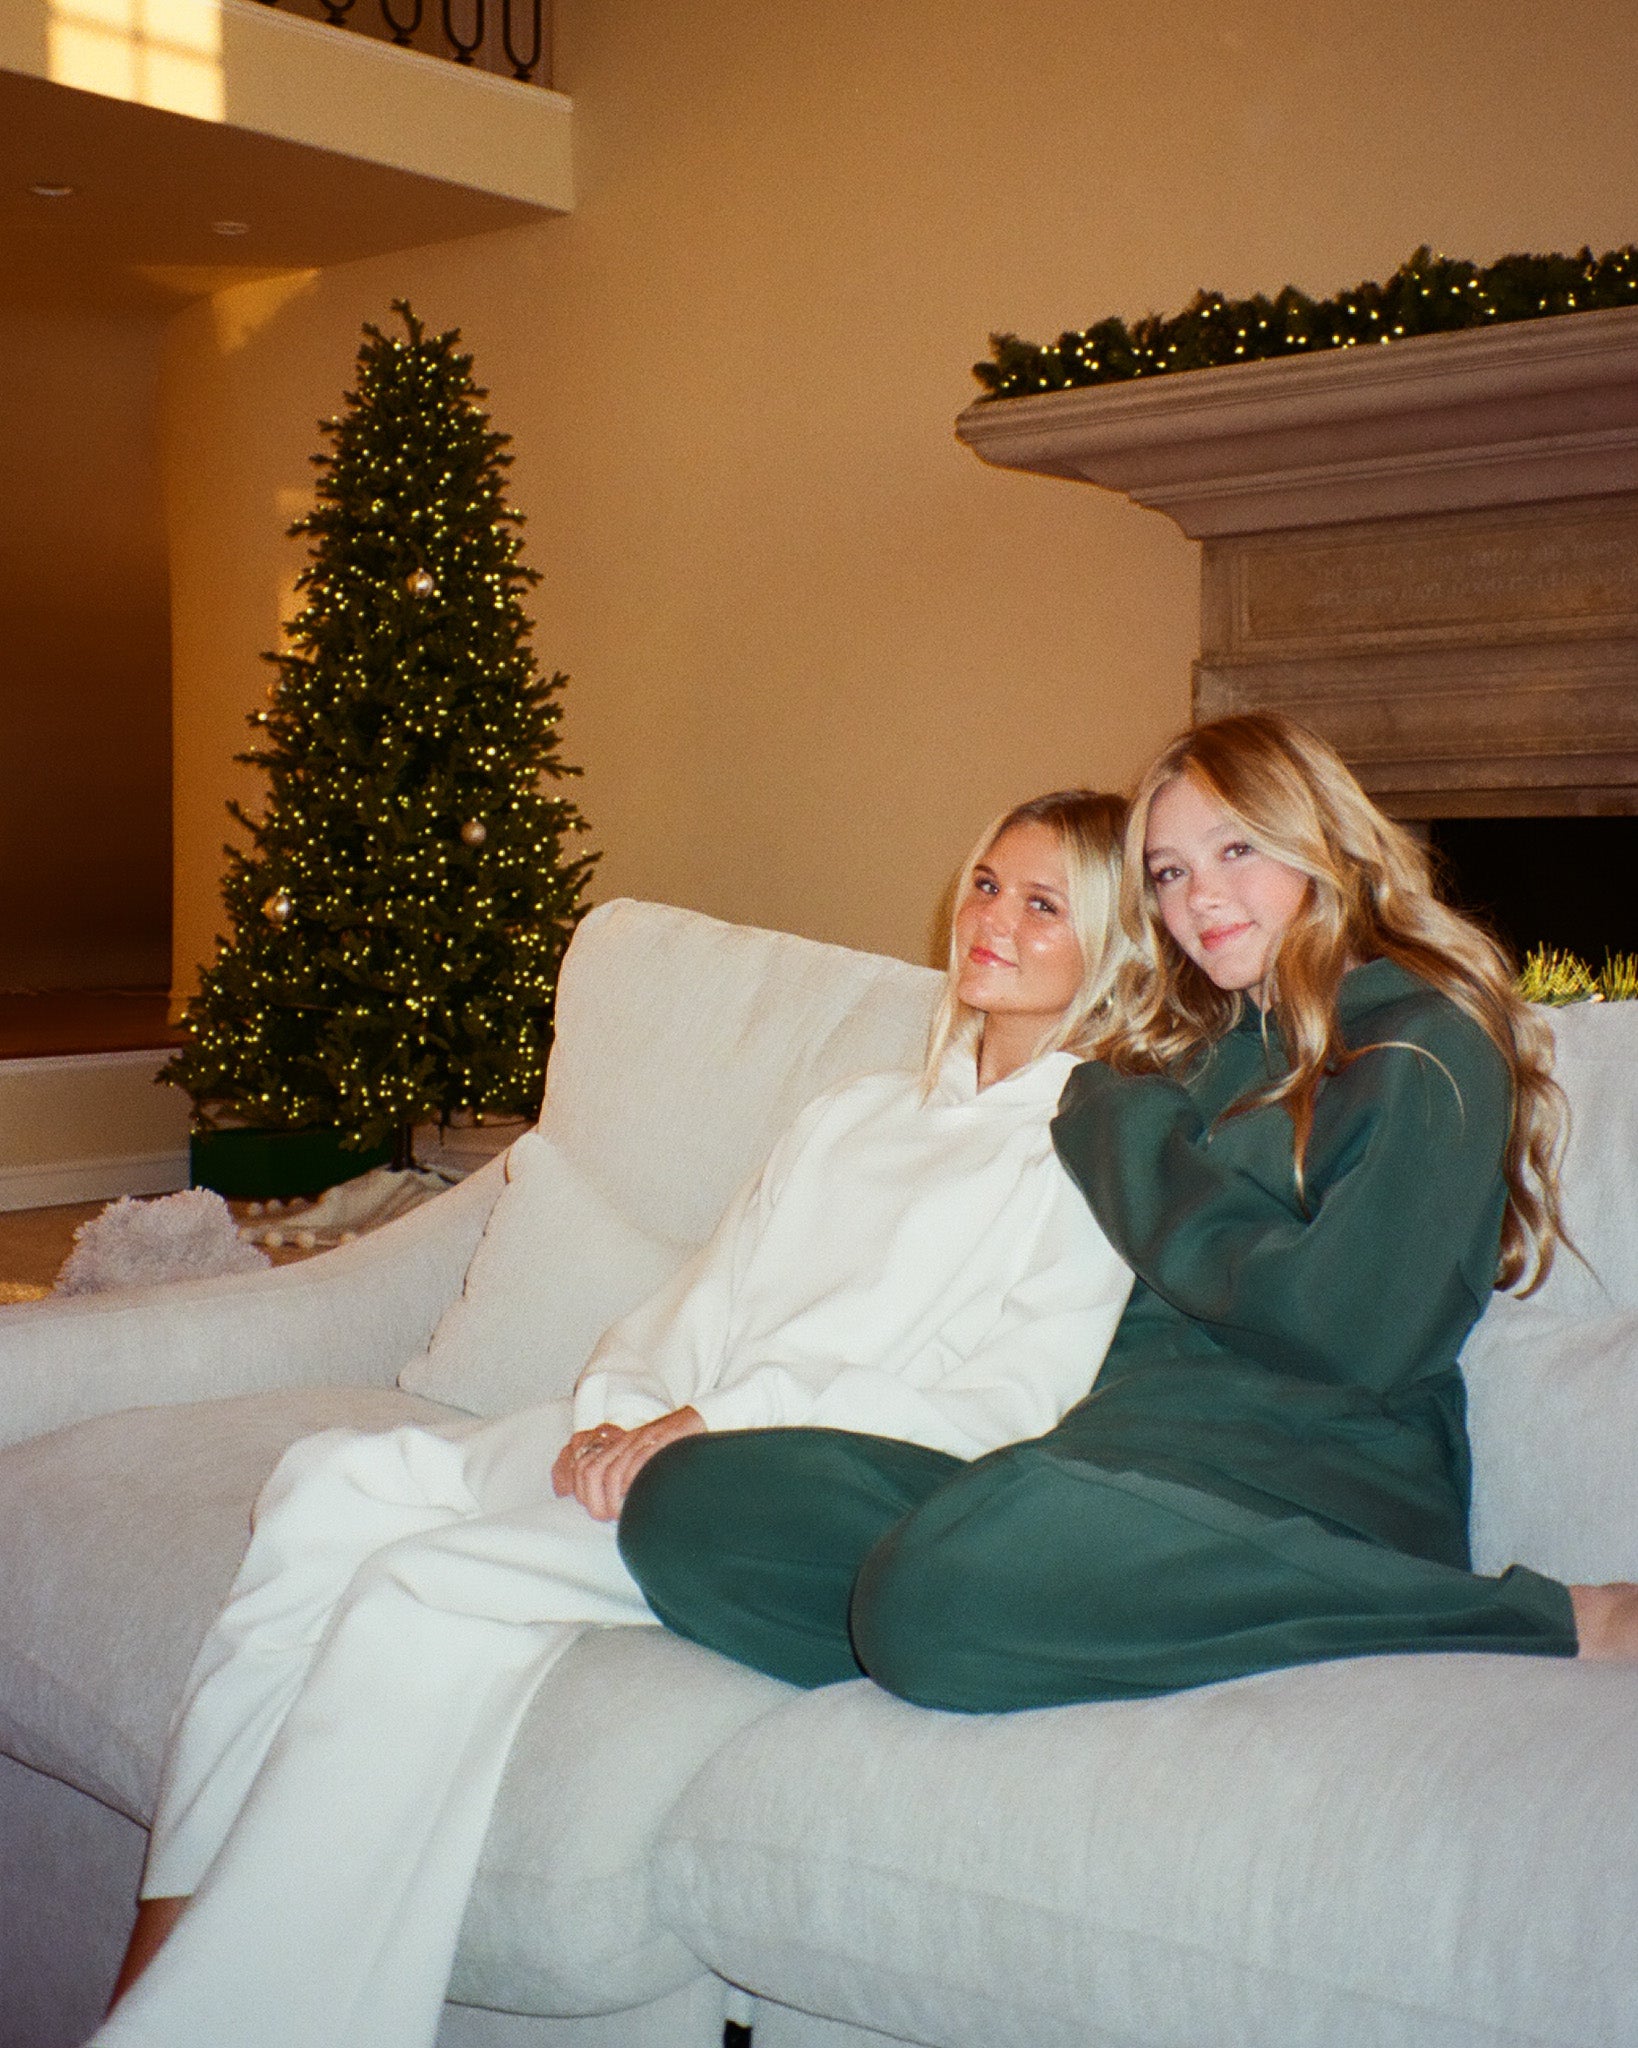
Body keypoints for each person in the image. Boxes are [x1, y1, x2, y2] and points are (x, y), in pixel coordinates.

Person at [96, 789, 1137, 2048]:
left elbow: (1003, 1406)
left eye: (1044, 905)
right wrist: (625, 1409)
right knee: (326, 1483)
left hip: (781, 1499)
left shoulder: (1092, 1153)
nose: (995, 922)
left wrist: (708, 1425)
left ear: (1115, 943)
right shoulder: (853, 1115)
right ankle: (158, 1954)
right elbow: (701, 1298)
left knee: (419, 1595)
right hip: (666, 1441)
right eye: (987, 884)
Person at [620, 712, 1638, 1712]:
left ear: (1321, 842)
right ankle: (1032, 1627)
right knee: (689, 1507)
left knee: (944, 1578)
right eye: (1169, 871)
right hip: (1110, 1469)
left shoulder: (1424, 1042)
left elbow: (1350, 1326)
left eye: (1235, 847)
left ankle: (1524, 1619)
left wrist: (1139, 1139)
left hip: (1318, 1484)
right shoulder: (1178, 1058)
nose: (1203, 896)